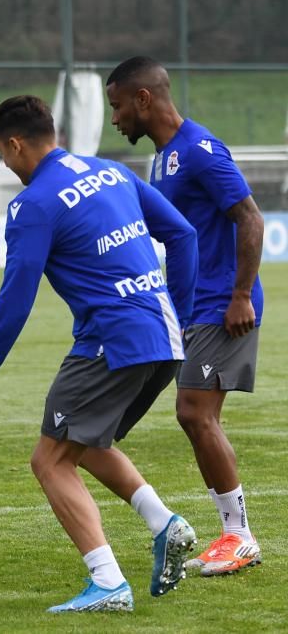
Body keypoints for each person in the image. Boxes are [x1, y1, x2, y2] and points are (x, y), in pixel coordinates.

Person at [0, 95, 200, 612]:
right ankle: (167, 523)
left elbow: (14, 300)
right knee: (85, 439)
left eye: (1, 153)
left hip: (110, 340)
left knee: (49, 460)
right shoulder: (112, 172)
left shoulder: (34, 204)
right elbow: (183, 235)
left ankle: (108, 582)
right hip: (164, 339)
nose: (5, 164)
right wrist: (178, 314)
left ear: (15, 144)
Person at [106, 57, 265, 577]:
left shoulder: (198, 150)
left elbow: (250, 217)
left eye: (118, 106)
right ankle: (232, 534)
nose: (115, 119)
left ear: (144, 99)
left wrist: (240, 294)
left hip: (223, 305)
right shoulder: (163, 159)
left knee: (196, 413)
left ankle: (239, 537)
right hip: (193, 308)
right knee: (193, 414)